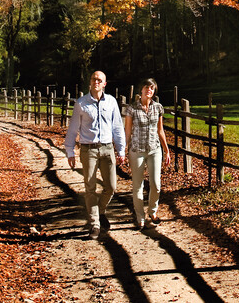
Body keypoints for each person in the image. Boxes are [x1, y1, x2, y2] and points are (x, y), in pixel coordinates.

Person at [65, 70, 127, 239]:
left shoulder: (112, 102)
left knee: (111, 187)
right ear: (90, 82)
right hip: (88, 150)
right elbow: (73, 129)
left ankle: (99, 211)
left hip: (107, 149)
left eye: (100, 80)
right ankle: (95, 224)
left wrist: (121, 149)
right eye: (94, 79)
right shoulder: (81, 103)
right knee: (90, 188)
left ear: (105, 84)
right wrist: (70, 151)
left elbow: (118, 128)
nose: (96, 82)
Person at [123, 77, 172, 230]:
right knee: (137, 185)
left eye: (151, 88)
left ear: (153, 91)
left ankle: (152, 211)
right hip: (136, 151)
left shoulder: (158, 108)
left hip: (154, 150)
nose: (149, 90)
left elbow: (160, 130)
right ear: (141, 90)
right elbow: (128, 131)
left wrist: (166, 150)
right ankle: (140, 216)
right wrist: (123, 150)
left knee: (156, 184)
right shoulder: (132, 108)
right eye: (146, 87)